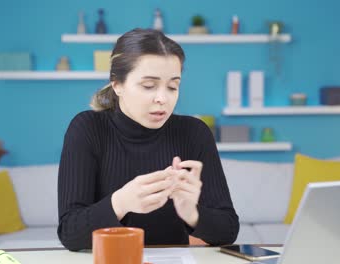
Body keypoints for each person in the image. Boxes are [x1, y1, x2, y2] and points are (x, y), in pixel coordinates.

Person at [57, 28, 239, 251]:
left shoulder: (194, 133)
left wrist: (192, 213)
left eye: (173, 86)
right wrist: (121, 202)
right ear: (118, 85)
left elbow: (228, 230)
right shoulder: (88, 128)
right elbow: (70, 232)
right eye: (148, 86)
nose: (162, 98)